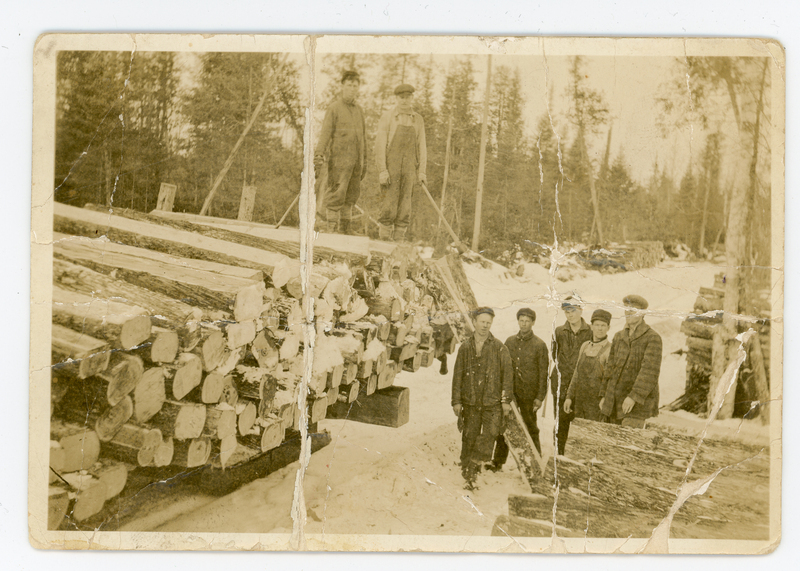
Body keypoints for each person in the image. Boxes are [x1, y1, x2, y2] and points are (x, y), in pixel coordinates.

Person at [451, 307, 513, 490]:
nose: (485, 326)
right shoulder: (465, 347)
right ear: (475, 322)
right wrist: (456, 401)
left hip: (491, 403)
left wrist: (505, 400)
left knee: (490, 434)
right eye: (482, 322)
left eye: (488, 323)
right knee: (469, 435)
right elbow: (457, 376)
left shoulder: (499, 348)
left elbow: (507, 377)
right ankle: (468, 470)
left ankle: (475, 465)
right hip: (470, 402)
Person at [489, 308, 548, 471]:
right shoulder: (509, 342)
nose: (524, 324)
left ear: (533, 323)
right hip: (511, 393)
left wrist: (539, 397)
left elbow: (543, 374)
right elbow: (503, 368)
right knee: (504, 426)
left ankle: (536, 464)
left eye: (527, 321)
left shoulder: (539, 345)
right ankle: (498, 461)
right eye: (521, 320)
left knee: (531, 427)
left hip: (529, 395)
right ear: (518, 321)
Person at [314, 70, 367, 234]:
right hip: (339, 161)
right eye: (349, 85)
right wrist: (318, 155)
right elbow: (325, 134)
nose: (352, 89)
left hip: (356, 163)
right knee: (337, 194)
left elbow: (363, 139)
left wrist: (364, 161)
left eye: (355, 86)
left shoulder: (359, 111)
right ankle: (331, 228)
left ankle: (345, 229)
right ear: (342, 86)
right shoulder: (334, 108)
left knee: (351, 196)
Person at [599, 295, 663, 429]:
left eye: (633, 310)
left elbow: (649, 372)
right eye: (626, 309)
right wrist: (604, 395)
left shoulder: (652, 338)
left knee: (628, 445)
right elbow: (610, 368)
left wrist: (634, 397)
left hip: (636, 406)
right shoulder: (618, 337)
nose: (628, 313)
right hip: (613, 402)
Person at [374, 83, 427, 242]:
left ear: (412, 98)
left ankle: (398, 242)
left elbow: (422, 146)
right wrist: (382, 170)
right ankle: (383, 240)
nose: (404, 101)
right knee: (388, 204)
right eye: (401, 97)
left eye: (407, 97)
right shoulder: (388, 117)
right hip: (391, 168)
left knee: (405, 206)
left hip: (410, 169)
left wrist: (422, 171)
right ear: (396, 98)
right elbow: (380, 145)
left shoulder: (418, 119)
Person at [551, 296, 592, 456]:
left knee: (578, 422)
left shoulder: (589, 331)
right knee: (560, 423)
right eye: (567, 311)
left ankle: (574, 456)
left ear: (581, 310)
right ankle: (559, 456)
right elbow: (554, 355)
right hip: (561, 384)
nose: (570, 315)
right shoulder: (559, 331)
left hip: (581, 386)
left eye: (573, 310)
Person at [564, 309, 612, 422]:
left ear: (608, 328)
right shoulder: (585, 346)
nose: (600, 328)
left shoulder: (610, 350)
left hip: (597, 404)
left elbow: (610, 380)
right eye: (597, 325)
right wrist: (569, 397)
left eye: (603, 325)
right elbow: (576, 373)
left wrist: (605, 399)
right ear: (591, 326)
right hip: (580, 401)